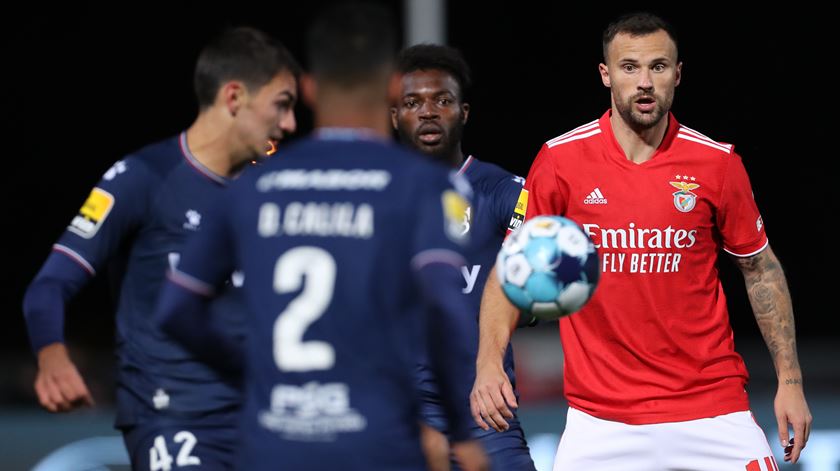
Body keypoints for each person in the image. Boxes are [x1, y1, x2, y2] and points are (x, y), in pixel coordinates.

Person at [470, 12, 813, 470]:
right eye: (630, 67)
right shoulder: (560, 161)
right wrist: (488, 362)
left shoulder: (717, 163)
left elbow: (761, 268)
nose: (645, 82)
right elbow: (510, 267)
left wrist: (790, 381)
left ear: (677, 74)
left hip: (712, 409)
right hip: (600, 421)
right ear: (606, 75)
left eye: (658, 66)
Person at [154, 4, 488, 470]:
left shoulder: (252, 186)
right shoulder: (424, 185)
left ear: (308, 88)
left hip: (272, 442)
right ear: (393, 87)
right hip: (377, 441)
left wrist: (250, 372)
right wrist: (459, 430)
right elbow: (442, 305)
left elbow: (175, 310)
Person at [22, 26, 299, 469]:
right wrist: (52, 355)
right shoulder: (142, 177)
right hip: (172, 417)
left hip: (260, 417)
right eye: (282, 105)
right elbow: (49, 285)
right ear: (234, 98)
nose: (290, 124)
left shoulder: (269, 192)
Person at [392, 44, 536, 471]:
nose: (429, 111)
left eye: (443, 100)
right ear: (394, 115)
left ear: (464, 112)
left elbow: (542, 291)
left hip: (484, 411)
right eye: (413, 102)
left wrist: (530, 308)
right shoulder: (372, 197)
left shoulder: (505, 192)